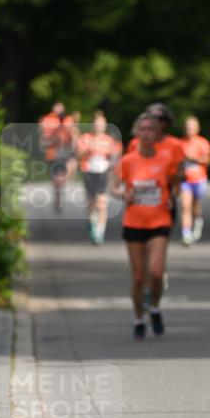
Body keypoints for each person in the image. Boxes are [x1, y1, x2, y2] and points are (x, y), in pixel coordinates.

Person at [111, 114, 173, 340]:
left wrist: (172, 196)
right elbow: (114, 186)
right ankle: (139, 319)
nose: (146, 133)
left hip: (159, 222)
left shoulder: (166, 159)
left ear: (157, 134)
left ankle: (154, 307)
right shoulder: (128, 161)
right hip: (134, 223)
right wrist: (123, 194)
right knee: (138, 276)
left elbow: (174, 182)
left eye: (151, 129)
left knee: (156, 273)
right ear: (137, 133)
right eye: (143, 129)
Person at [76, 110, 122, 244]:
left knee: (102, 202)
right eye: (96, 124)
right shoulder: (85, 138)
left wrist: (112, 164)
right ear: (92, 125)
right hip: (89, 172)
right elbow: (78, 156)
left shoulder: (109, 140)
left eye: (100, 124)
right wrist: (86, 150)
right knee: (91, 201)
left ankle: (100, 232)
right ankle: (91, 222)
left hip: (103, 172)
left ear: (105, 125)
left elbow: (114, 157)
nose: (98, 127)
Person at [179, 115, 210, 245]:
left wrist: (194, 159)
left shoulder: (202, 142)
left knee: (195, 206)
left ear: (197, 128)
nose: (189, 129)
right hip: (185, 180)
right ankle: (186, 234)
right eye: (187, 126)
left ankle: (198, 221)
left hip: (199, 179)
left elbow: (208, 160)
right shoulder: (179, 143)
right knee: (185, 206)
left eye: (192, 126)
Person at [38, 101, 76, 213]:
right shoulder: (48, 121)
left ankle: (60, 193)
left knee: (63, 176)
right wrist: (54, 141)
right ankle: (58, 198)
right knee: (57, 180)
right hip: (53, 155)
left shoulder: (69, 121)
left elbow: (73, 139)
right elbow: (43, 141)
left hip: (66, 154)